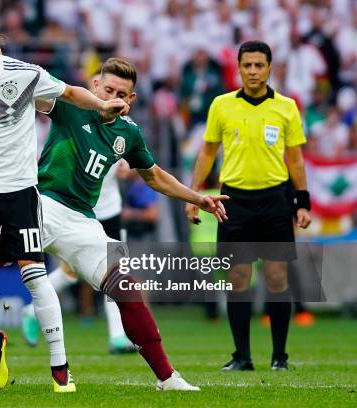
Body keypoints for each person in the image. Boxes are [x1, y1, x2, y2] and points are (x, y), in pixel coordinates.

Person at [0, 23, 129, 393]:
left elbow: (70, 92)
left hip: (20, 192)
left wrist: (104, 104)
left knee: (35, 276)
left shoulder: (26, 75)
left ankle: (60, 365)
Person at [35, 57, 228, 391]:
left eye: (120, 94)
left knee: (126, 286)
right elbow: (32, 92)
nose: (113, 97)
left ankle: (167, 377)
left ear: (131, 99)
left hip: (82, 218)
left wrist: (197, 198)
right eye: (107, 89)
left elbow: (153, 176)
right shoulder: (71, 105)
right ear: (95, 86)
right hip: (41, 203)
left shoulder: (129, 133)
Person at [186, 41, 312, 372]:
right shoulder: (221, 105)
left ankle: (279, 357)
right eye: (248, 65)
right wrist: (194, 194)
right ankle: (242, 356)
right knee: (237, 279)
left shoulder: (287, 107)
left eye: (259, 65)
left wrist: (302, 202)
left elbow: (296, 159)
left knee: (275, 277)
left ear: (270, 68)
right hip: (233, 201)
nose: (253, 71)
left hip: (274, 199)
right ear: (239, 68)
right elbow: (207, 152)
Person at [22, 161, 137, 354]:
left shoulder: (124, 131)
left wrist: (128, 168)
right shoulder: (73, 132)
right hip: (80, 211)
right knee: (70, 272)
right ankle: (32, 311)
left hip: (110, 211)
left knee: (118, 270)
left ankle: (118, 336)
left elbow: (133, 163)